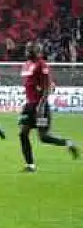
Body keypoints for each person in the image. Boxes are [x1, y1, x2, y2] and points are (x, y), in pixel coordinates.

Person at [18, 41, 79, 172]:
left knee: (43, 137)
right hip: (29, 105)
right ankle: (30, 165)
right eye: (27, 49)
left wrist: (41, 105)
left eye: (30, 49)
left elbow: (47, 87)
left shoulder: (42, 65)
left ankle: (68, 143)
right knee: (22, 133)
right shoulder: (26, 65)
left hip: (41, 106)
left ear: (36, 50)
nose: (27, 51)